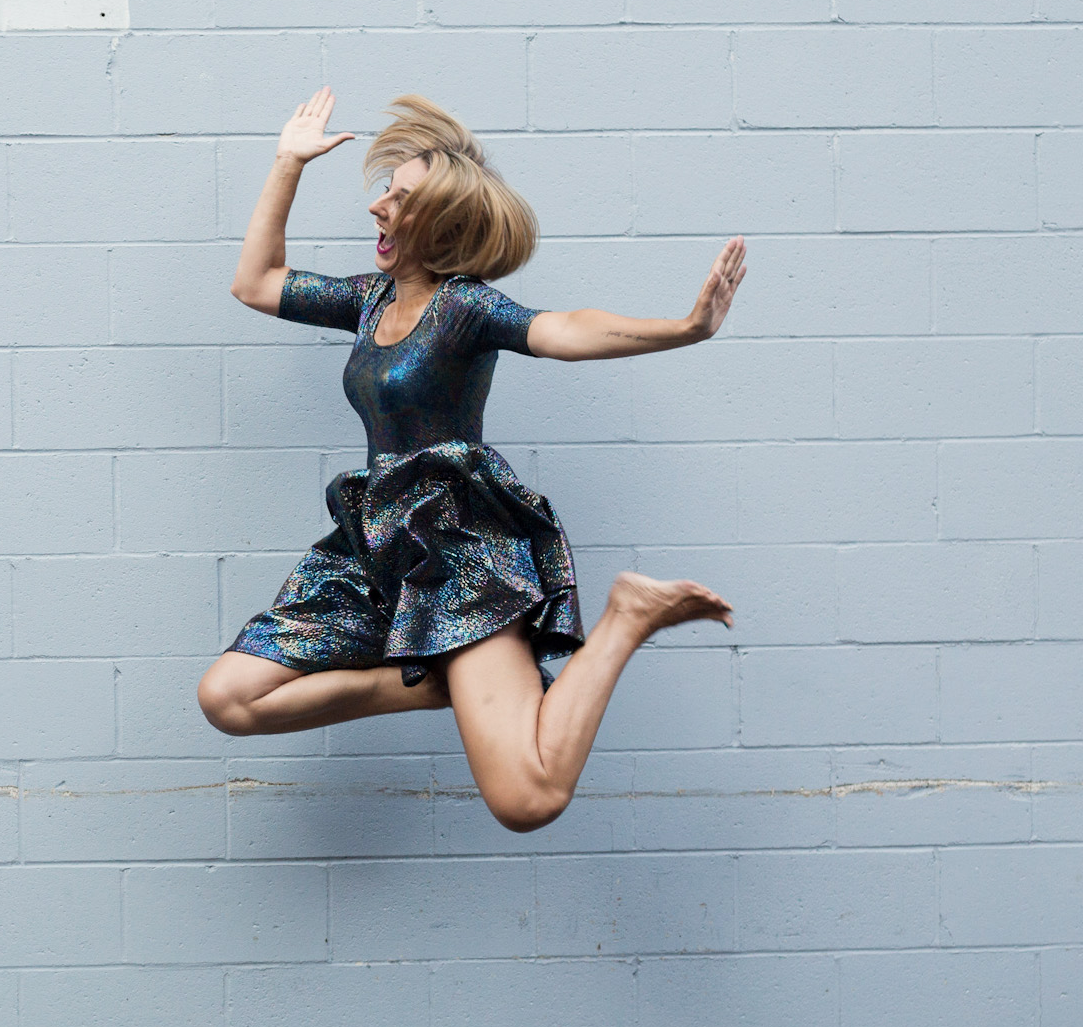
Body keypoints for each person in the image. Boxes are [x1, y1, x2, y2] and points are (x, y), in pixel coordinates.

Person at [196, 88, 747, 832]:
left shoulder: (466, 307)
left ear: (444, 223)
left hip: (457, 552)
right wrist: (287, 162)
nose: (377, 208)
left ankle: (626, 616)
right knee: (229, 696)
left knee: (529, 798)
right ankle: (430, 675)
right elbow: (254, 282)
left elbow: (564, 328)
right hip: (373, 552)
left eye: (400, 198)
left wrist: (683, 328)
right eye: (385, 191)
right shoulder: (369, 299)